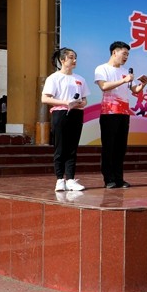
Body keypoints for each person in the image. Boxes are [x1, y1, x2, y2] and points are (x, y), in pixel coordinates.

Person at [94, 41, 147, 189]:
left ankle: (119, 178)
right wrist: (124, 80)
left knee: (120, 147)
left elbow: (135, 90)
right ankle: (109, 179)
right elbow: (104, 86)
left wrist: (143, 84)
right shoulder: (102, 68)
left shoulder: (126, 71)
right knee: (109, 147)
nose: (126, 57)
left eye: (128, 55)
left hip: (124, 113)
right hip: (109, 112)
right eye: (124, 54)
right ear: (114, 52)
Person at [41, 48, 89, 191]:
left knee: (72, 148)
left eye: (75, 57)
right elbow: (45, 98)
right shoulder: (54, 78)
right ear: (62, 60)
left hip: (76, 113)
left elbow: (85, 100)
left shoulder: (80, 79)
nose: (74, 60)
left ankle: (71, 179)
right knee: (60, 147)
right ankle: (59, 179)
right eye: (71, 57)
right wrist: (65, 102)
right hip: (60, 114)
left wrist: (79, 103)